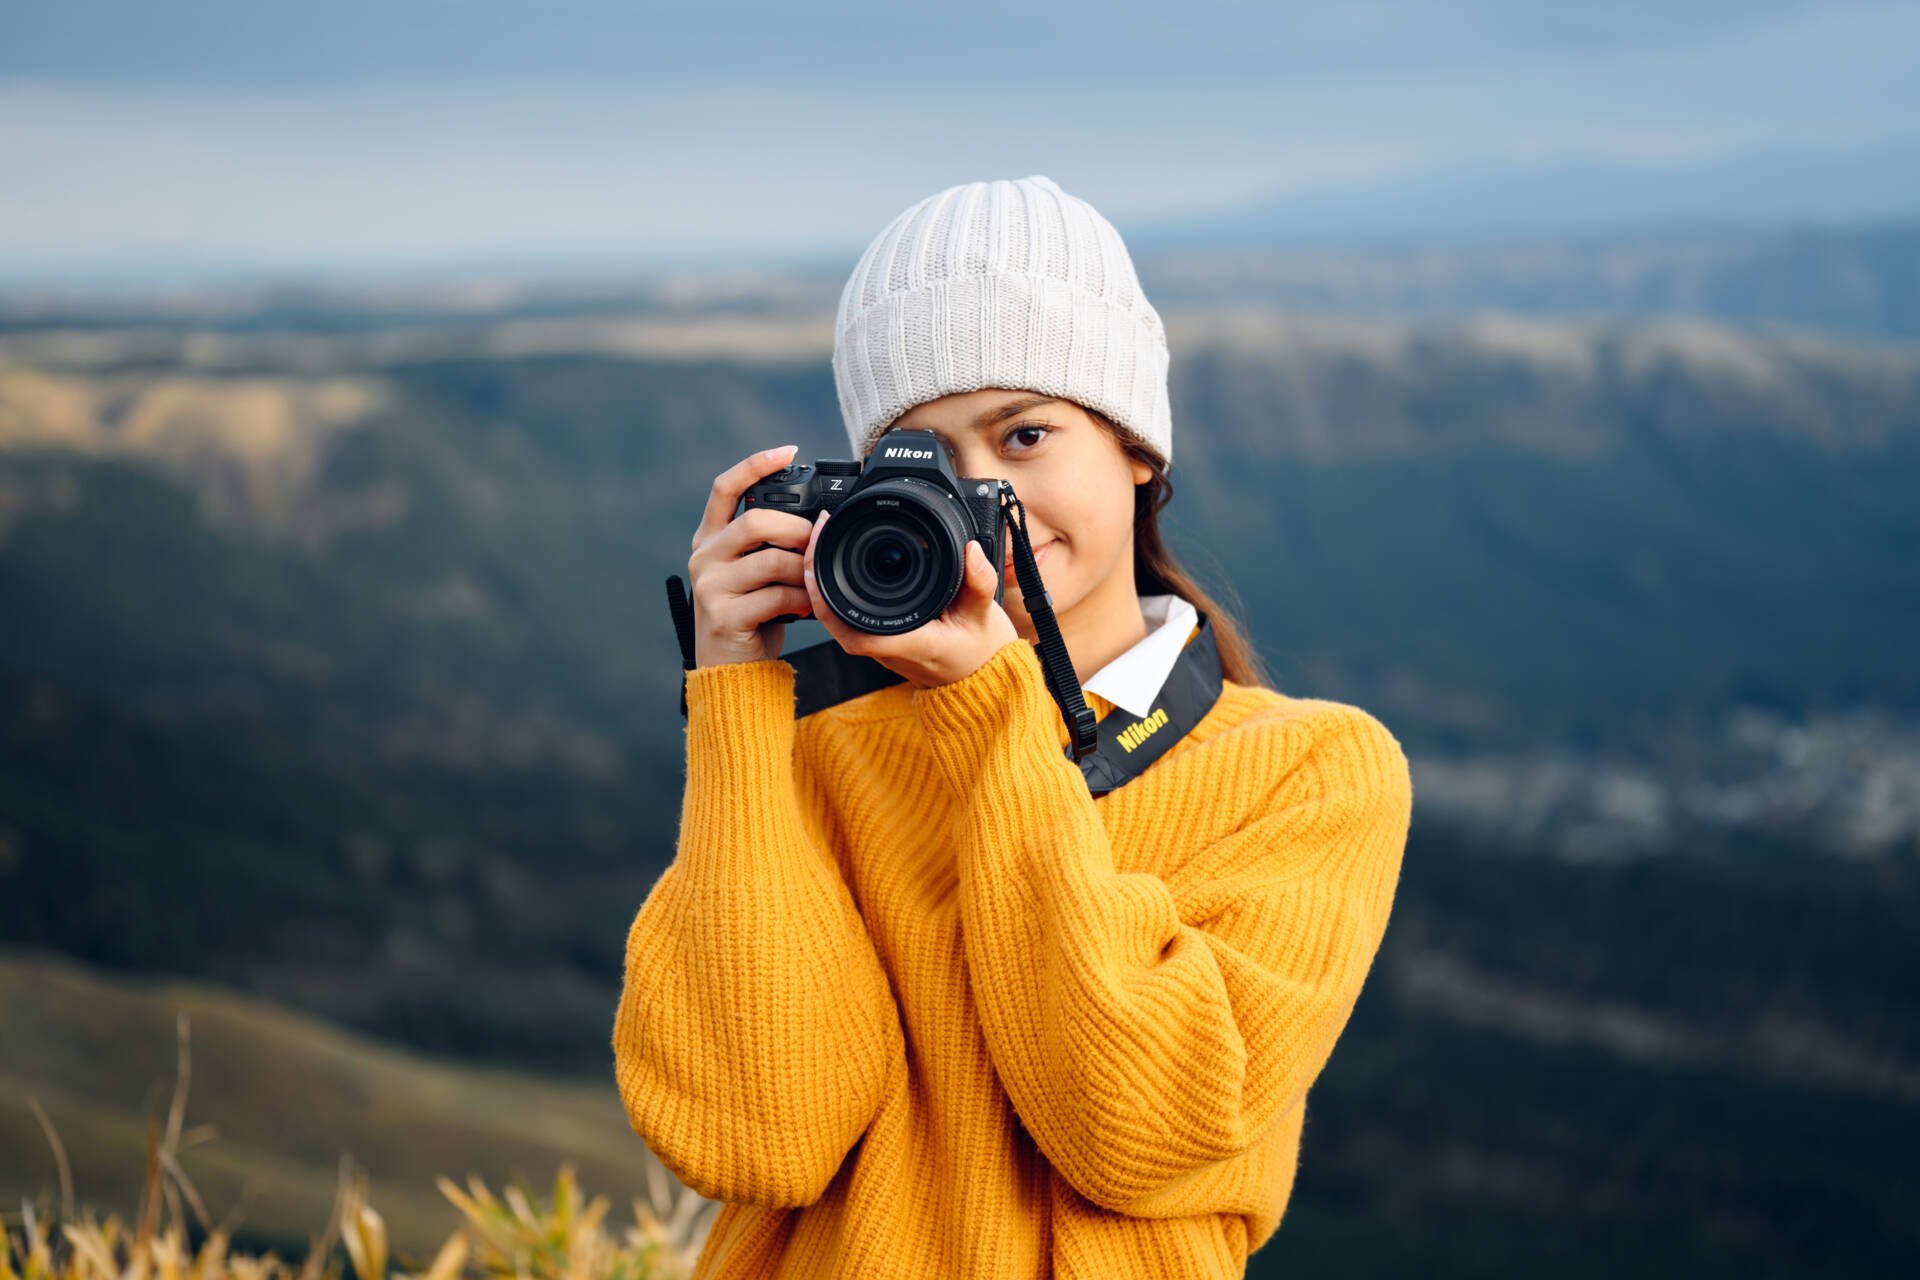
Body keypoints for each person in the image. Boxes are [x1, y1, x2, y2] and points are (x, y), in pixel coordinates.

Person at [613, 175, 1413, 1278]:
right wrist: (737, 697)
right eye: (931, 460)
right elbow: (757, 1137)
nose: (984, 494)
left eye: (1026, 433)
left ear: (1138, 448)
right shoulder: (810, 756)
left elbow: (1140, 1125)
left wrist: (994, 709)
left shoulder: (1312, 771)